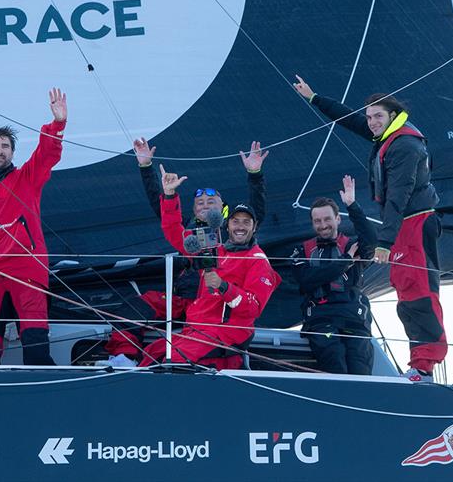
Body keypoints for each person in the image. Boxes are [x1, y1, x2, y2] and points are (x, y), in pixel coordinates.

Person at [293, 75, 444, 382]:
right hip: (403, 224)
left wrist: (384, 242)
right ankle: (419, 364)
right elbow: (350, 120)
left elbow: (399, 194)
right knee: (405, 289)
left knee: (419, 291)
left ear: (394, 115)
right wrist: (314, 98)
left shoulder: (404, 145)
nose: (372, 122)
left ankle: (426, 364)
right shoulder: (387, 135)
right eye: (370, 117)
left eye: (378, 116)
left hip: (413, 222)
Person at [99, 139, 269, 367]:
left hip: (217, 307)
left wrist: (255, 174)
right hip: (186, 300)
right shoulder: (188, 234)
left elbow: (254, 215)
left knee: (169, 357)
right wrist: (147, 169)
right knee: (134, 306)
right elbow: (164, 213)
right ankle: (123, 357)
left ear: (224, 211)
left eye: (212, 201)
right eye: (200, 202)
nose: (205, 205)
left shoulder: (233, 233)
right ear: (193, 209)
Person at [0, 88, 67, 365]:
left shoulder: (27, 178)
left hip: (26, 272)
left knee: (36, 345)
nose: (0, 150)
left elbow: (47, 154)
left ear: (12, 151)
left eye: (5, 146)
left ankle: (44, 395)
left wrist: (57, 124)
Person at [134, 164, 281, 369]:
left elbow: (253, 309)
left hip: (225, 332)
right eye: (235, 221)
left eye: (246, 222)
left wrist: (224, 287)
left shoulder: (257, 260)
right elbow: (173, 231)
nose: (240, 226)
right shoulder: (214, 249)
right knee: (153, 352)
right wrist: (169, 195)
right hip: (197, 328)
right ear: (227, 225)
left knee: (172, 361)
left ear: (254, 227)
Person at [292, 176, 376, 375]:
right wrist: (346, 261)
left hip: (353, 317)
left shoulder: (353, 245)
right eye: (317, 221)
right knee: (333, 358)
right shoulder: (301, 250)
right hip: (322, 319)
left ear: (338, 219)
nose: (323, 225)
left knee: (360, 367)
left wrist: (352, 205)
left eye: (327, 219)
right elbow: (307, 280)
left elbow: (372, 241)